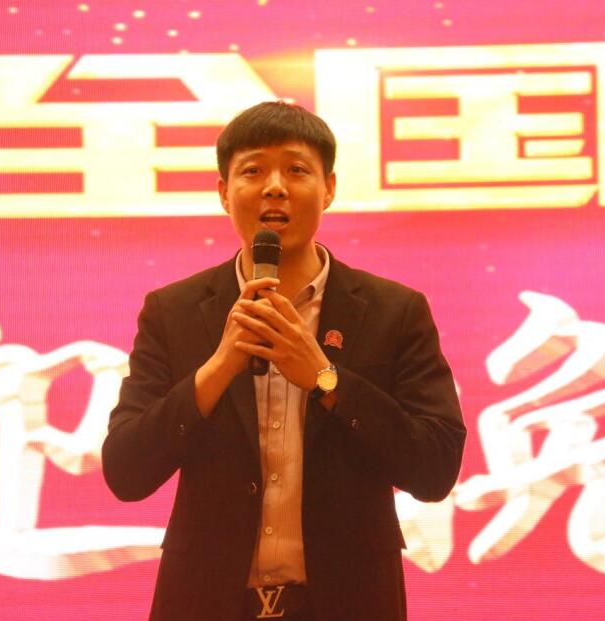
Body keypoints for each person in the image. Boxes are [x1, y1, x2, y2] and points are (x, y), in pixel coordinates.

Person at [102, 101, 466, 621]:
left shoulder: (394, 311)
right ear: (224, 191)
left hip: (349, 605)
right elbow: (125, 472)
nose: (275, 187)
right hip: (206, 603)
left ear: (329, 188)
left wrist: (325, 378)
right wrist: (217, 368)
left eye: (296, 170)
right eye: (253, 171)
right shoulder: (173, 311)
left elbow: (434, 468)